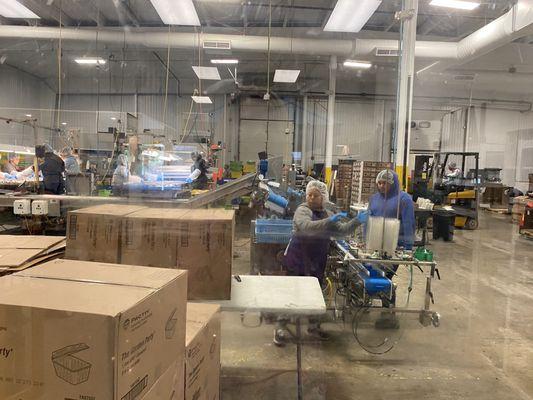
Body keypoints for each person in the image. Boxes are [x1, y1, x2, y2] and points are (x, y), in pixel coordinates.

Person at [274, 180, 368, 346]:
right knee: (292, 292)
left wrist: (357, 221)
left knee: (314, 294)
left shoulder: (326, 214)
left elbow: (342, 231)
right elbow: (307, 227)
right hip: (298, 258)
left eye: (315, 195)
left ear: (323, 197)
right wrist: (330, 222)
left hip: (316, 259)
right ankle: (280, 327)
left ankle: (313, 326)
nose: (311, 198)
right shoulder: (302, 210)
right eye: (309, 195)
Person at [368, 169, 415, 327]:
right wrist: (365, 240)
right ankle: (368, 303)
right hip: (375, 244)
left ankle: (389, 314)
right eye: (379, 183)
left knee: (385, 277)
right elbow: (370, 219)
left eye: (385, 183)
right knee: (371, 273)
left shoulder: (404, 199)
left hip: (395, 246)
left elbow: (409, 223)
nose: (381, 186)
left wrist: (408, 247)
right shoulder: (374, 199)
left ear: (392, 183)